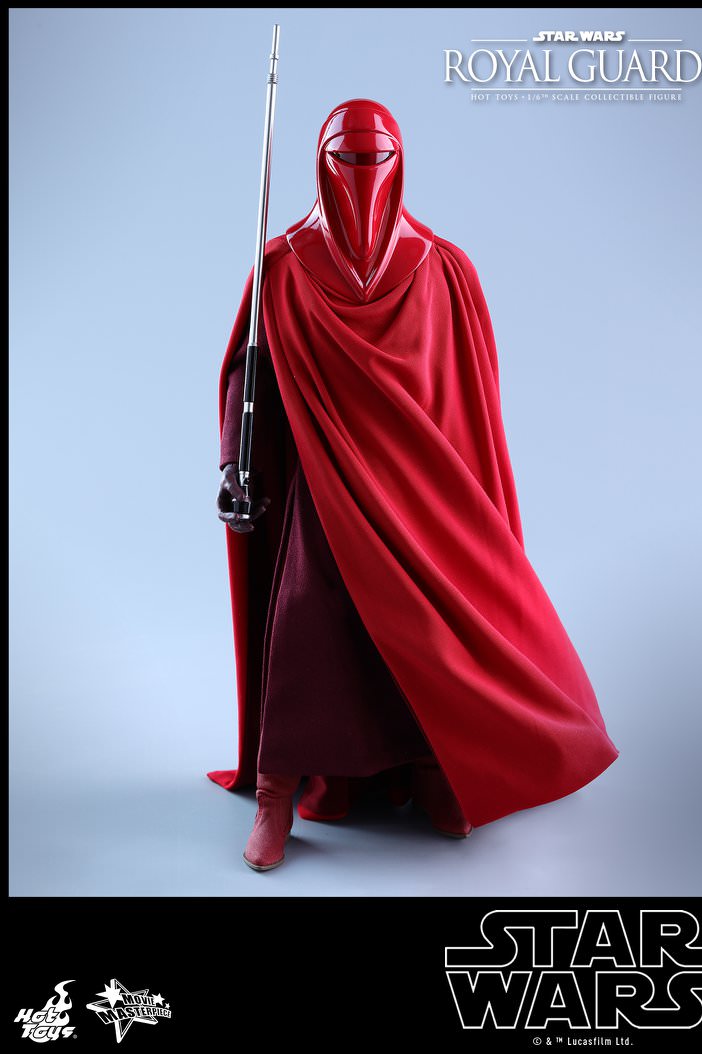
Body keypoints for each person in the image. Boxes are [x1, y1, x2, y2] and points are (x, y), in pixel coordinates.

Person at [209, 99, 619, 872]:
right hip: (325, 487)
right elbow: (246, 371)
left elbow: (469, 399)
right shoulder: (284, 265)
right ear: (321, 163)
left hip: (421, 495)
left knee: (429, 635)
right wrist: (235, 460)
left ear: (399, 163)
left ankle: (437, 770)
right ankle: (275, 793)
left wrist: (469, 501)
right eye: (346, 159)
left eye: (375, 159)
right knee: (308, 627)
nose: (361, 175)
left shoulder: (440, 266)